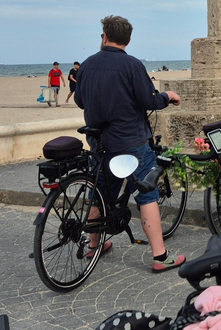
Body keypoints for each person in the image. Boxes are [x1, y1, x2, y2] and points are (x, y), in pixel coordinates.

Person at [75, 15, 185, 273]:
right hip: (130, 141)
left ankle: (94, 245)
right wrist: (167, 96)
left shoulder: (87, 65)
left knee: (99, 193)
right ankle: (160, 256)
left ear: (104, 37)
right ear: (128, 39)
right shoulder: (132, 65)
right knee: (147, 195)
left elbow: (80, 100)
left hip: (99, 141)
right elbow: (149, 101)